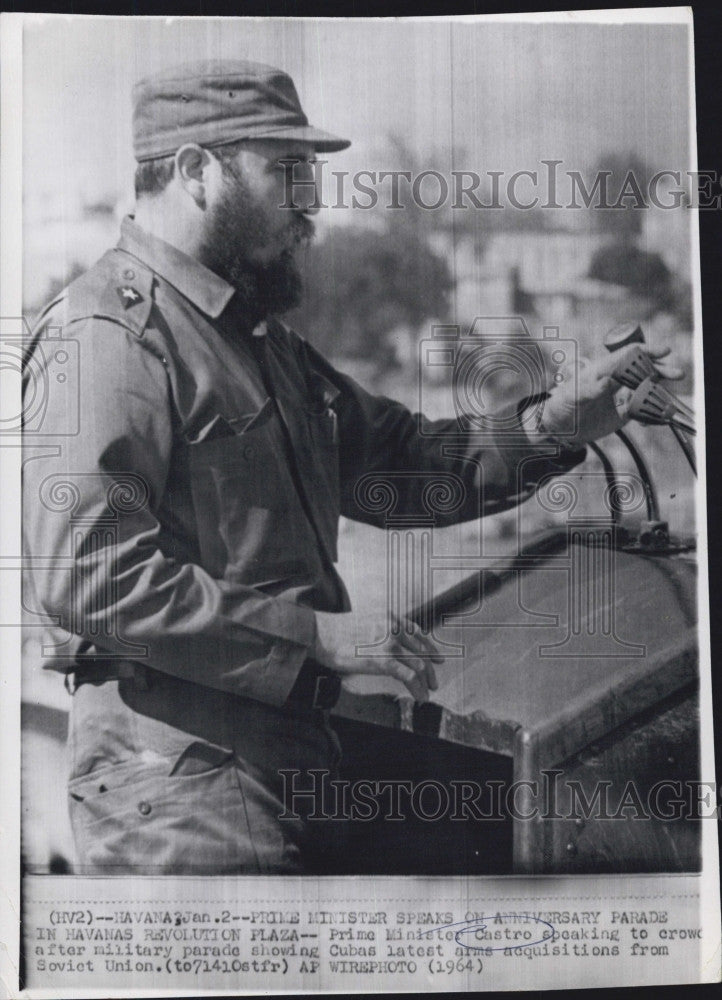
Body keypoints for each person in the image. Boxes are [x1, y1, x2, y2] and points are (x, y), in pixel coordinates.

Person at [22, 60, 682, 875]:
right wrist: (319, 637)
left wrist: (552, 422)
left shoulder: (255, 343)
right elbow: (90, 574)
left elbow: (403, 463)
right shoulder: (111, 335)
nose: (311, 202)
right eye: (287, 172)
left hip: (283, 768)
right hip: (184, 793)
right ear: (196, 171)